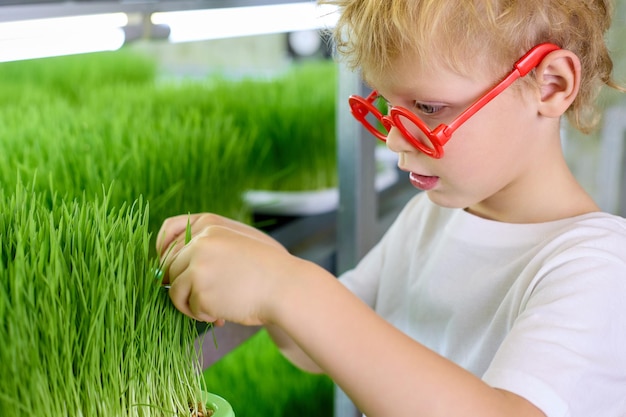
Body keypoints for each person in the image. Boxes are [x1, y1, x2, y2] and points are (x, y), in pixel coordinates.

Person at [156, 1, 626, 416]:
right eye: (385, 102)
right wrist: (268, 268)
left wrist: (289, 286)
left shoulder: (598, 266)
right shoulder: (431, 216)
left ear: (551, 85)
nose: (397, 139)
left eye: (428, 106)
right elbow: (320, 347)